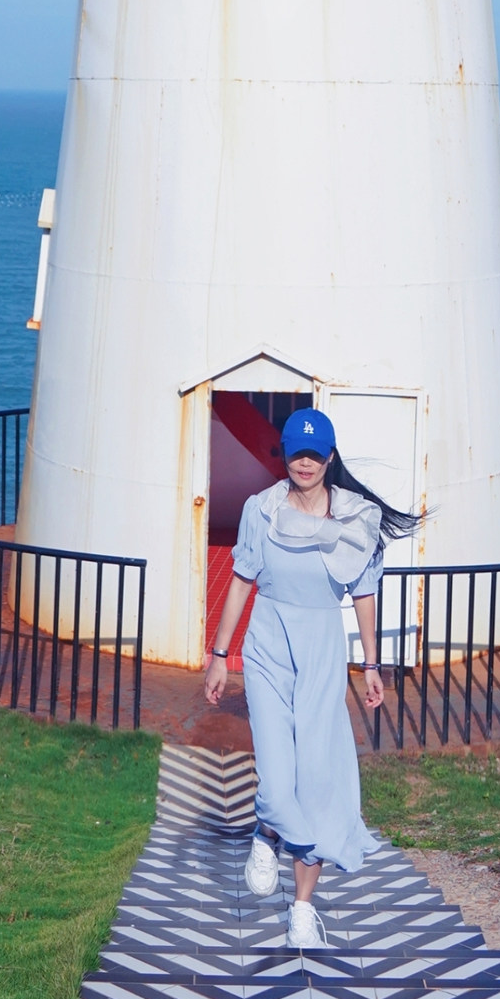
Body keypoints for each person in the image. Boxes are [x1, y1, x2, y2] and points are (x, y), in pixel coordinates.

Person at [201, 406, 413, 949]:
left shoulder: (356, 520)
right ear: (284, 454)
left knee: (318, 780)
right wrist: (220, 653)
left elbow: (364, 595)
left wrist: (369, 665)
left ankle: (301, 909)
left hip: (322, 651)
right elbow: (244, 580)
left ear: (330, 459)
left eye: (316, 455)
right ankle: (268, 828)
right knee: (277, 774)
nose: (305, 463)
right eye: (297, 452)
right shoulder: (260, 510)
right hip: (269, 645)